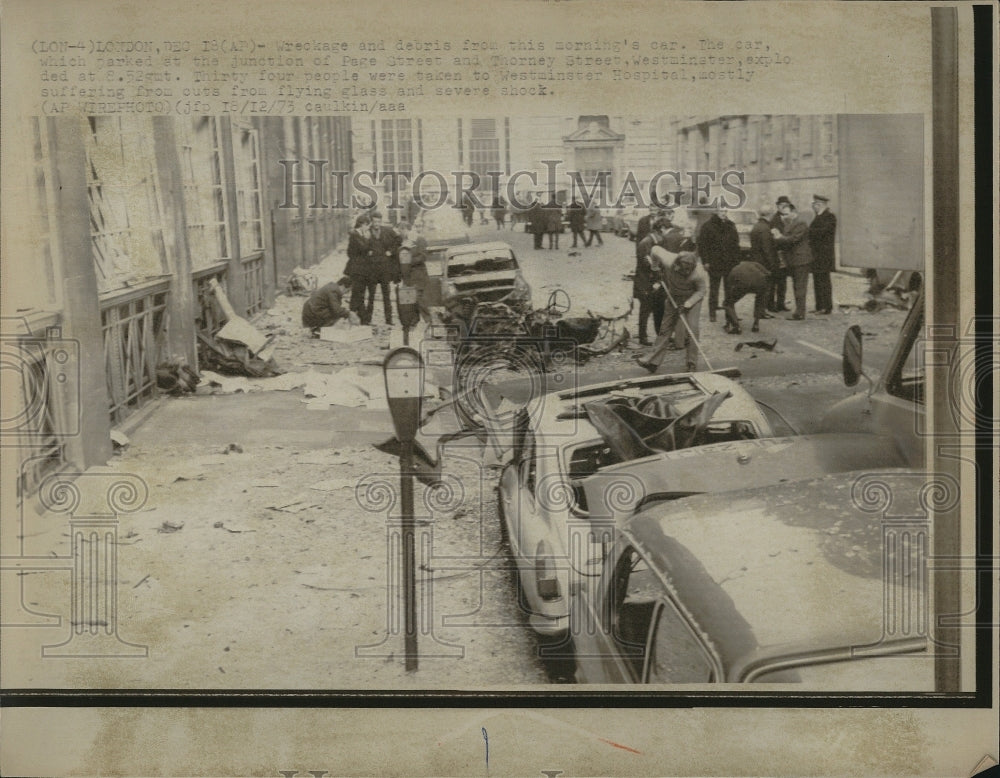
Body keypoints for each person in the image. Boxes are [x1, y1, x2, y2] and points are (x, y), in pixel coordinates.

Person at [635, 249, 707, 374]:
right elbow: (654, 250)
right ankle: (652, 362)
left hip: (692, 300)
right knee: (665, 329)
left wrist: (687, 304)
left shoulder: (699, 274)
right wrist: (655, 267)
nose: (686, 272)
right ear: (676, 264)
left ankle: (691, 363)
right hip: (673, 297)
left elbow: (701, 291)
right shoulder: (668, 261)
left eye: (688, 270)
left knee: (692, 329)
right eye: (683, 270)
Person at [632, 217, 673, 345]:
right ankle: (642, 337)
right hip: (645, 283)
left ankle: (660, 334)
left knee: (659, 309)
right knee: (645, 310)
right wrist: (657, 279)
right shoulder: (646, 242)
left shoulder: (658, 242)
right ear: (660, 230)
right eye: (667, 231)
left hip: (656, 282)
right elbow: (647, 264)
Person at [697, 205, 741, 322]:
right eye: (721, 210)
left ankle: (730, 312)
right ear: (716, 212)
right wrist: (705, 261)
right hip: (714, 263)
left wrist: (736, 261)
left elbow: (736, 245)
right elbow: (702, 245)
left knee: (729, 289)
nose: (723, 213)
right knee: (714, 289)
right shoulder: (707, 226)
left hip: (729, 263)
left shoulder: (731, 225)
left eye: (725, 210)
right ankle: (712, 312)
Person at [773, 202, 813, 320]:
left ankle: (800, 313)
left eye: (786, 214)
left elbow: (793, 240)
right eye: (783, 214)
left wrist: (779, 236)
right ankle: (799, 311)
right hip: (794, 260)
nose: (784, 216)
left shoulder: (801, 223)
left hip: (801, 260)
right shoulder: (790, 223)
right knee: (796, 286)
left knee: (800, 286)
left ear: (793, 212)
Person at [364, 211, 401, 326]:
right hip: (371, 270)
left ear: (381, 221)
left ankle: (389, 320)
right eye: (375, 221)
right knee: (371, 296)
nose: (377, 224)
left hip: (385, 269)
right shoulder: (366, 231)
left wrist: (391, 251)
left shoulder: (388, 231)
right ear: (371, 221)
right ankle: (367, 320)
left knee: (387, 296)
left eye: (379, 221)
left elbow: (398, 240)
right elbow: (359, 245)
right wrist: (367, 252)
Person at [723, 258, 771, 335]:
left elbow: (729, 289)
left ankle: (736, 326)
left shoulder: (736, 268)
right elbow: (768, 274)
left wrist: (727, 321)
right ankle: (756, 324)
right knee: (760, 299)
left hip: (743, 282)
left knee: (727, 303)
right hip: (760, 282)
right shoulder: (756, 264)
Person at [748, 202, 779, 319]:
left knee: (760, 289)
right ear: (769, 214)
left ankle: (760, 311)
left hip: (757, 261)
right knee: (765, 289)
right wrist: (772, 265)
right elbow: (767, 249)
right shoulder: (765, 228)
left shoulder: (757, 226)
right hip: (764, 263)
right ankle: (761, 312)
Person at [808, 193, 837, 314]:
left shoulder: (830, 217)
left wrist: (809, 231)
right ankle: (819, 306)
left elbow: (822, 232)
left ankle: (826, 307)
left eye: (815, 204)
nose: (813, 206)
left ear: (820, 204)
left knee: (824, 282)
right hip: (817, 255)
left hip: (824, 256)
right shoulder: (818, 216)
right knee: (817, 281)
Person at [398, 235, 432, 325]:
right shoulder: (401, 242)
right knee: (411, 297)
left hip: (418, 275)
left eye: (405, 230)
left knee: (418, 297)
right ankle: (415, 319)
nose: (403, 232)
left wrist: (408, 260)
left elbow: (423, 256)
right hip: (407, 276)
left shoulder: (418, 240)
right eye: (401, 230)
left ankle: (428, 319)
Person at [343, 214, 371, 319]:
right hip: (357, 269)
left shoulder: (358, 235)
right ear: (363, 224)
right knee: (357, 292)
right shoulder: (355, 235)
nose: (368, 228)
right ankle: (354, 314)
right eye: (367, 225)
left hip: (360, 268)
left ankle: (359, 315)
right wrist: (367, 239)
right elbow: (363, 248)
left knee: (360, 292)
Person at [769, 196, 792, 311]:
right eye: (782, 206)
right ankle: (771, 304)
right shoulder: (774, 220)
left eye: (786, 206)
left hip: (785, 254)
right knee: (774, 280)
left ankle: (781, 303)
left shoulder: (788, 218)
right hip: (777, 253)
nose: (785, 208)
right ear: (778, 206)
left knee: (783, 281)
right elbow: (775, 238)